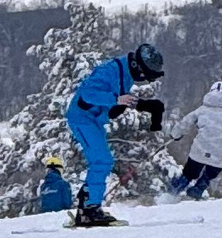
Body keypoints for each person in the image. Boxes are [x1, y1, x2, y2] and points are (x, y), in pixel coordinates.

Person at [65, 42, 165, 227]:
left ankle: (88, 207)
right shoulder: (110, 70)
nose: (143, 79)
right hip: (82, 118)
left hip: (93, 120)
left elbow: (119, 101)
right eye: (145, 75)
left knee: (104, 161)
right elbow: (87, 93)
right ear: (138, 67)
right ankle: (88, 209)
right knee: (101, 161)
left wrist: (138, 106)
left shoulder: (125, 73)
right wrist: (115, 100)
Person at [170, 79, 222, 201]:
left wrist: (175, 135)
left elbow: (184, 123)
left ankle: (172, 193)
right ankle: (197, 190)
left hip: (200, 150)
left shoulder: (201, 110)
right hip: (221, 155)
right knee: (209, 175)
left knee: (190, 173)